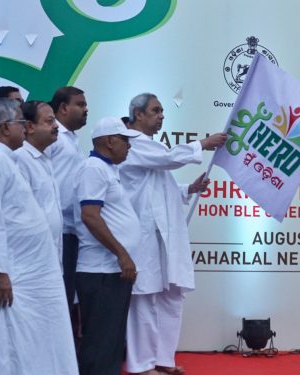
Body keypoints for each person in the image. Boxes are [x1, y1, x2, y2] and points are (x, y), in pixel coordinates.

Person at [0, 98, 77, 374]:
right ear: (4, 128)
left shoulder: (6, 159)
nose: (25, 128)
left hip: (28, 273)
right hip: (9, 275)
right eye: (20, 122)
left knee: (29, 346)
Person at [121, 93, 226, 375]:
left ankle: (163, 359)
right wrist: (203, 144)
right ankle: (141, 364)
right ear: (138, 114)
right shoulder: (130, 144)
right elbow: (168, 159)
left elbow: (159, 188)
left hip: (166, 237)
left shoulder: (151, 148)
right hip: (143, 237)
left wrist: (187, 190)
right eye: (156, 111)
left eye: (162, 111)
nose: (161, 116)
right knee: (144, 298)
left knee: (172, 295)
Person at [73, 117, 143, 375]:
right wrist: (122, 254)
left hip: (112, 271)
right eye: (125, 140)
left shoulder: (108, 169)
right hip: (100, 271)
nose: (129, 146)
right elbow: (90, 215)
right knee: (100, 343)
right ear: (109, 140)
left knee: (112, 342)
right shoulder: (93, 168)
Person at [46, 86, 89, 334]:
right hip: (57, 229)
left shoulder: (72, 139)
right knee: (60, 295)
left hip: (73, 230)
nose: (86, 109)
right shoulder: (54, 138)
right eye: (80, 104)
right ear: (63, 107)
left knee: (69, 296)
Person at [12, 101, 63, 270]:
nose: (56, 126)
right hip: (31, 260)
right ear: (30, 127)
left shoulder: (45, 159)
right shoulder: (20, 158)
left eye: (55, 121)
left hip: (50, 257)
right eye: (49, 122)